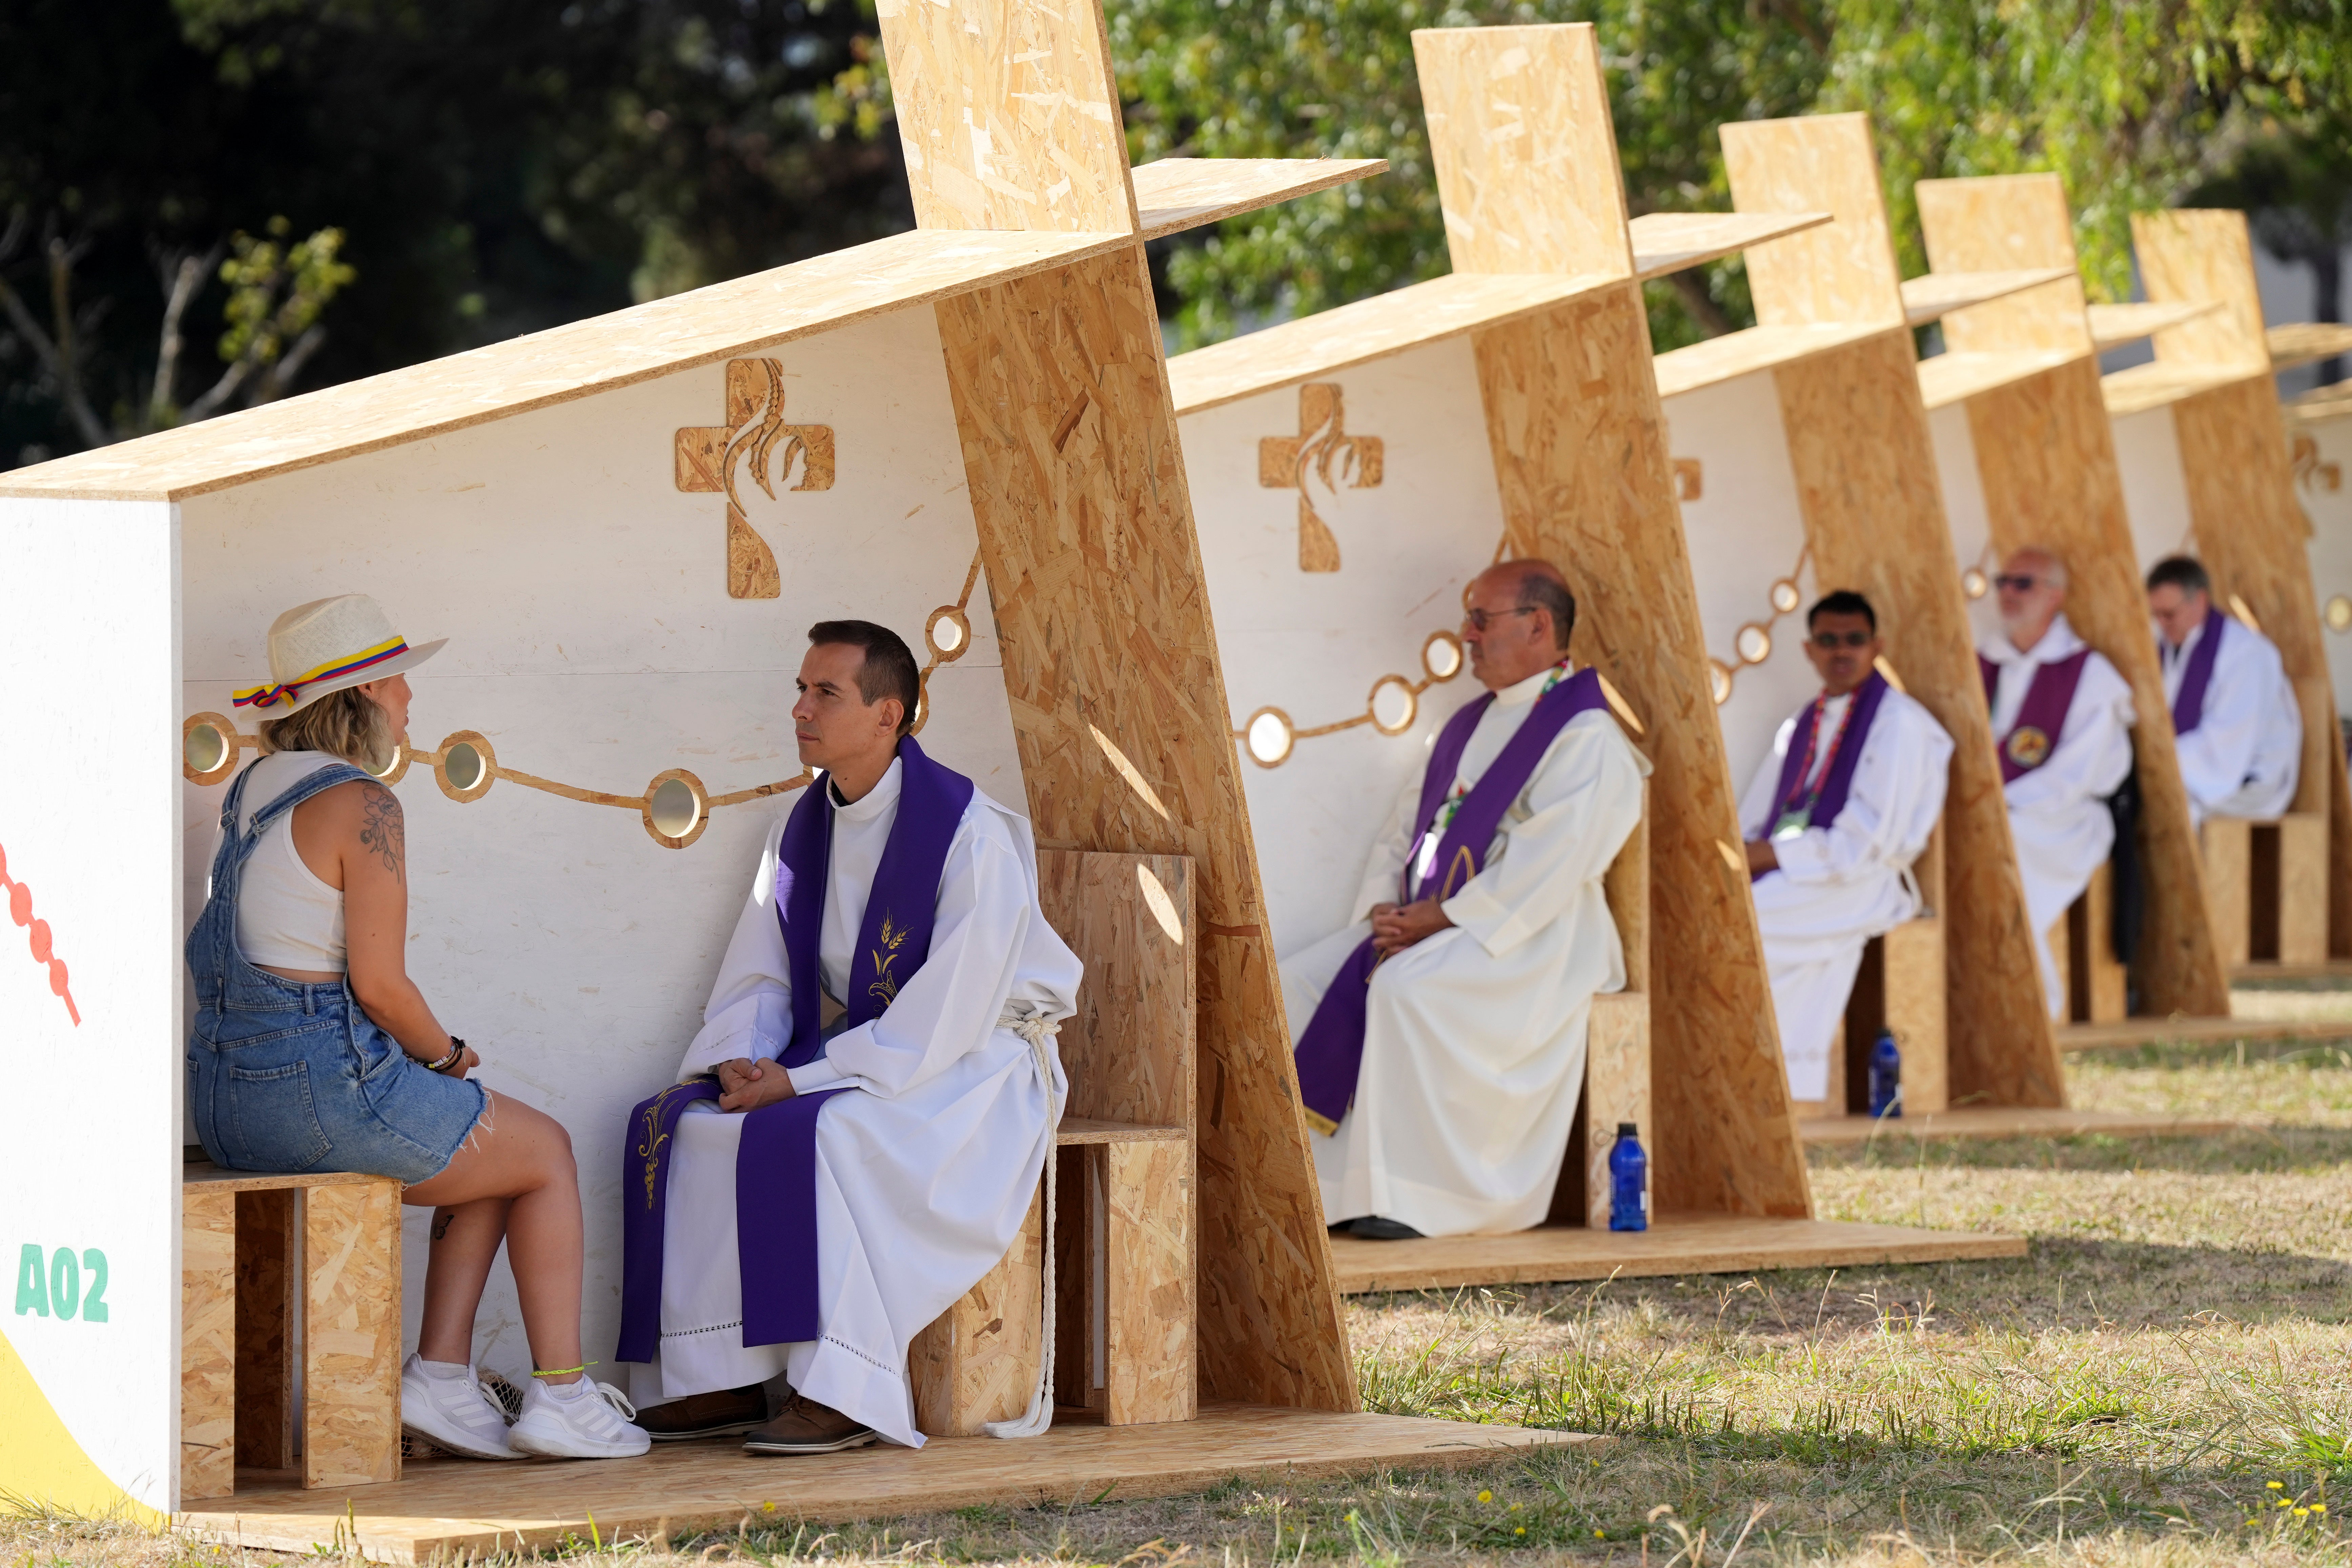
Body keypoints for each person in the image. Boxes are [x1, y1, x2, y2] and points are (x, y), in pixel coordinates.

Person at [186, 594, 648, 1463]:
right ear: (357, 697)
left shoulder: (250, 790)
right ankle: (562, 1394)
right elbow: (383, 988)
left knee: (481, 1146)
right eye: (395, 681)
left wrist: (442, 1076)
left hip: (225, 1098)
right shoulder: (365, 804)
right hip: (316, 1095)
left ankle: (440, 1378)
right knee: (544, 1152)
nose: (408, 699)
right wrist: (446, 1053)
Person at [619, 620, 1077, 1454]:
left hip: (979, 1061)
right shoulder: (802, 827)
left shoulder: (968, 830)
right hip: (875, 1047)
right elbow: (761, 966)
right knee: (686, 1126)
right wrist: (741, 1059)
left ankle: (843, 1387)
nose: (799, 708)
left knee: (830, 1135)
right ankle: (720, 1375)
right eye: (799, 689)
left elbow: (952, 1007)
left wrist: (801, 1083)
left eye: (823, 692)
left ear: (887, 715)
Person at [1282, 560, 1648, 1241]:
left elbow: (1558, 857)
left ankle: (1427, 1198)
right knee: (1293, 983)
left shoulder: (1585, 735)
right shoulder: (1464, 724)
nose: (1467, 634)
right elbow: (1401, 828)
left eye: (1481, 618)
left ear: (1537, 625)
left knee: (1404, 993)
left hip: (1532, 934)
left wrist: (1443, 917)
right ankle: (1331, 1190)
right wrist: (1384, 913)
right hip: (1430, 920)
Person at [1739, 592, 1952, 1107]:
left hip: (1864, 881)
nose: (1842, 652)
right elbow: (1753, 820)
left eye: (1854, 640)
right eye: (1829, 641)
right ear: (1809, 650)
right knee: (1728, 913)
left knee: (1741, 927)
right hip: (1800, 873)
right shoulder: (1802, 724)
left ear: (1876, 646)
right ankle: (1765, 1081)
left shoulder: (1896, 723)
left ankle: (1783, 1084)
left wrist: (1768, 857)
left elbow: (1865, 843)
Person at [1976, 549, 2135, 1017]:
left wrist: (1998, 805)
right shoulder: (1982, 663)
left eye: (2022, 584)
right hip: (1997, 809)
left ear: (2055, 597)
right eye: (2003, 582)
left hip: (2065, 818)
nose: (2008, 593)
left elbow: (2075, 774)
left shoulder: (2090, 675)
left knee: (2010, 845)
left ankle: (2033, 1004)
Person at [2146, 555, 2302, 826]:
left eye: (2169, 614)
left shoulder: (2246, 653)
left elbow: (2228, 743)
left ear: (2200, 600)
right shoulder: (2167, 647)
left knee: (2167, 808)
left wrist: (2157, 760)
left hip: (2248, 779)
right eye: (2155, 615)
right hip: (2193, 764)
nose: (2161, 623)